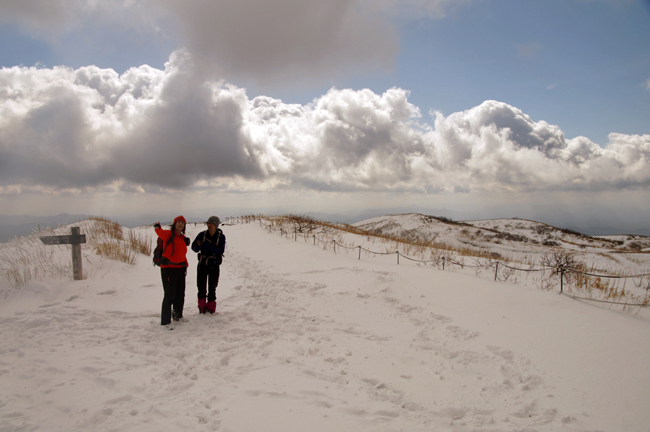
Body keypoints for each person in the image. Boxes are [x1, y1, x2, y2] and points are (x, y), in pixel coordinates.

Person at [154, 216, 190, 327]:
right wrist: (157, 227)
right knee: (169, 295)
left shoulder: (182, 238)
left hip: (180, 269)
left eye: (182, 223)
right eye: (178, 222)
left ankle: (177, 315)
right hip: (168, 270)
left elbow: (182, 254)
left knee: (180, 294)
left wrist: (185, 265)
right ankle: (165, 321)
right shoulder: (169, 235)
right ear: (174, 224)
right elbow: (160, 233)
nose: (180, 224)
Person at [191, 216, 226, 314]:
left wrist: (205, 245)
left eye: (212, 223)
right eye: (208, 223)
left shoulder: (220, 237)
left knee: (212, 287)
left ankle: (211, 308)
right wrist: (197, 246)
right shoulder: (202, 235)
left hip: (213, 265)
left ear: (216, 225)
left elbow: (220, 251)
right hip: (202, 264)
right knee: (201, 287)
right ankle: (202, 308)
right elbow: (193, 248)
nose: (210, 225)